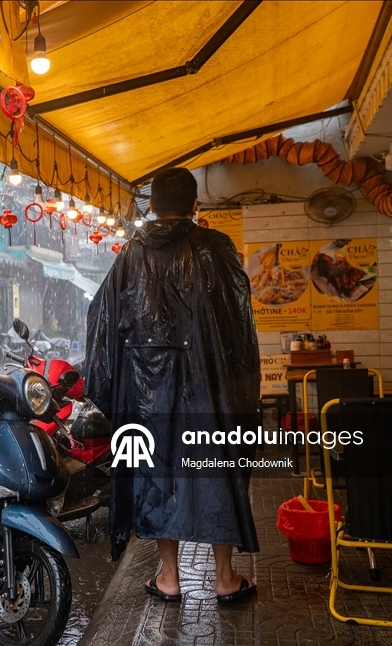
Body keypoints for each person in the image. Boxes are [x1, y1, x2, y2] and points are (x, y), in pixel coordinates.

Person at [83, 167, 260, 605]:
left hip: (147, 395)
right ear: (196, 206)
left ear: (151, 207)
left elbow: (102, 323)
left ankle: (168, 577)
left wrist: (113, 390)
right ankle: (224, 577)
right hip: (211, 386)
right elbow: (240, 324)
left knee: (154, 476)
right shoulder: (216, 248)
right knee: (218, 468)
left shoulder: (129, 255)